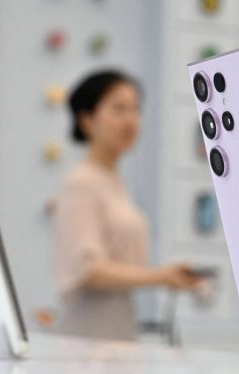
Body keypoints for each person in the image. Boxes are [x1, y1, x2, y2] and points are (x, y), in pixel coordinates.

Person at [55, 70, 203, 340]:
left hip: (118, 332)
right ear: (87, 120)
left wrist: (165, 276)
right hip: (88, 339)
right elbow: (87, 270)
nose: (130, 120)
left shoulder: (114, 181)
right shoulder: (82, 183)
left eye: (135, 109)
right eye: (118, 109)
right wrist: (160, 277)